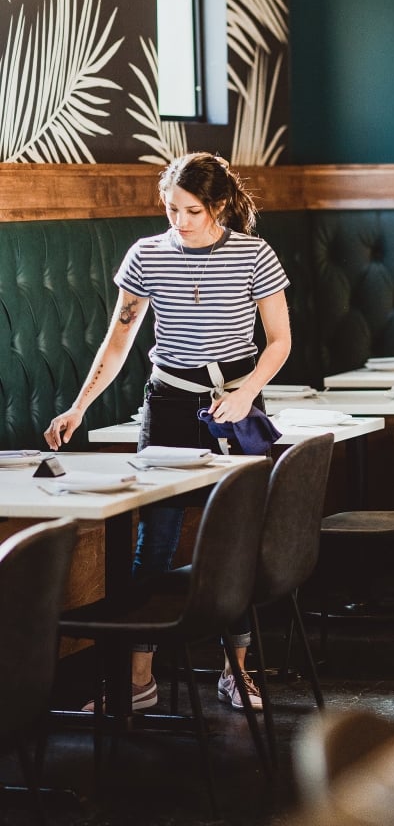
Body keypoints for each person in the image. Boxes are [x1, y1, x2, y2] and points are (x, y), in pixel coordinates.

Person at [45, 152, 291, 713]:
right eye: (171, 208)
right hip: (169, 405)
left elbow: (279, 340)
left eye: (192, 211)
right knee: (152, 541)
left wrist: (247, 392)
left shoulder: (254, 254)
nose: (178, 221)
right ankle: (138, 682)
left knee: (234, 538)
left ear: (220, 206)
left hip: (236, 401)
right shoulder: (147, 255)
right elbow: (119, 340)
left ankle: (238, 673)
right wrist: (79, 408)